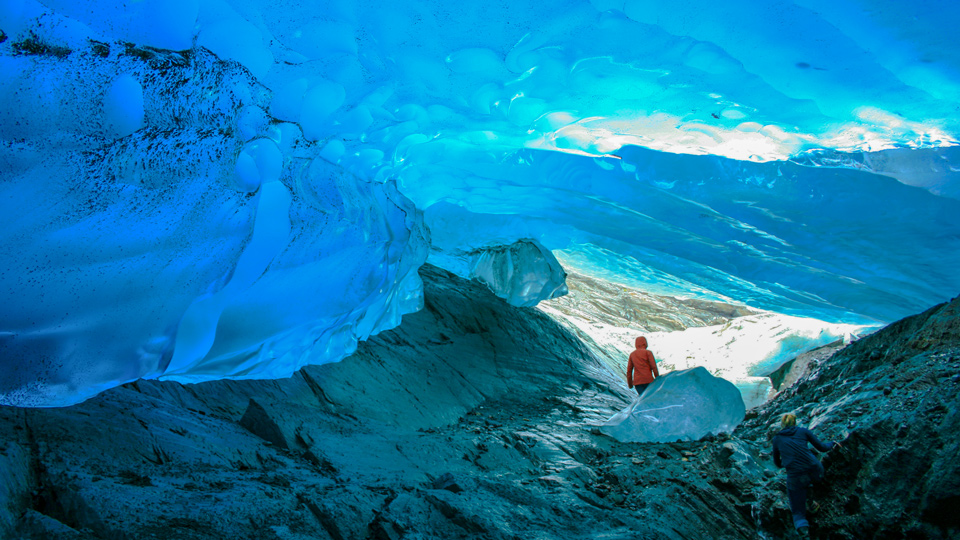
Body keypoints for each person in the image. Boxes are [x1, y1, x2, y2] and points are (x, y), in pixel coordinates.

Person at [772, 413, 837, 538]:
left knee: (797, 511)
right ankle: (811, 503)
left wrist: (785, 463)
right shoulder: (803, 432)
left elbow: (776, 462)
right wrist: (833, 443)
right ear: (795, 422)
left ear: (782, 424)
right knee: (809, 481)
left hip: (797, 476)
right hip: (816, 471)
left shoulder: (777, 439)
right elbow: (822, 448)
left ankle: (804, 532)